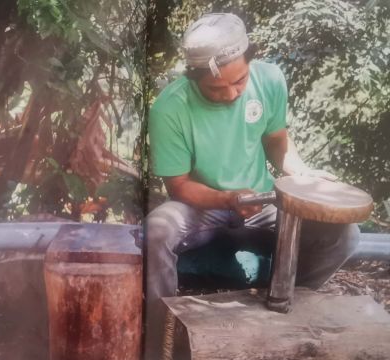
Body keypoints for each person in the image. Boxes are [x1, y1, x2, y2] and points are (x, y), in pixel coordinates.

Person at [144, 13, 360, 359]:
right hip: (203, 206)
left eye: (240, 81)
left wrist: (302, 176)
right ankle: (159, 340)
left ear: (251, 60)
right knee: (156, 229)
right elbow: (180, 186)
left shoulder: (270, 80)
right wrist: (227, 199)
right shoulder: (169, 109)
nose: (231, 94)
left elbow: (277, 143)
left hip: (263, 199)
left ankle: (289, 307)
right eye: (217, 88)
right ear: (194, 77)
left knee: (346, 235)